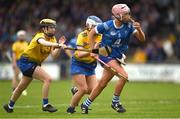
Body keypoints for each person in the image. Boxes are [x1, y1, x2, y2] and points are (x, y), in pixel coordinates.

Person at [81, 4, 145, 114]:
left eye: (129, 13)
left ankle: (85, 104)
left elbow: (142, 39)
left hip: (117, 57)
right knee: (124, 76)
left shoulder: (129, 26)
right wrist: (93, 50)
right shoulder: (107, 25)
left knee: (102, 84)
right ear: (118, 16)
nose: (129, 16)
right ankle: (115, 102)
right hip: (106, 56)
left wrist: (139, 30)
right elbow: (92, 33)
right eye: (126, 14)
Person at [3, 18, 66, 113]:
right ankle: (45, 104)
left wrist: (59, 47)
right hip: (27, 61)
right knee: (47, 79)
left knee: (21, 87)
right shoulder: (39, 36)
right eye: (51, 27)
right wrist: (57, 44)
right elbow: (43, 42)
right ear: (44, 29)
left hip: (34, 63)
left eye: (54, 28)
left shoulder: (53, 39)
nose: (53, 29)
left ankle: (9, 106)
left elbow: (54, 56)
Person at [66, 15, 102, 114]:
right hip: (78, 63)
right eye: (95, 26)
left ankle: (75, 90)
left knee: (93, 90)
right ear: (88, 25)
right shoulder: (82, 36)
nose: (97, 29)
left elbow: (103, 50)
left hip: (90, 65)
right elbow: (79, 54)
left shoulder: (100, 36)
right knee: (83, 89)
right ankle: (71, 108)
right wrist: (91, 51)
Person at [11, 30, 29, 96]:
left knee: (24, 76)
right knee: (15, 75)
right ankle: (14, 89)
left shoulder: (26, 44)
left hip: (25, 61)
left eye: (23, 35)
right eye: (21, 35)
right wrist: (14, 63)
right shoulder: (15, 44)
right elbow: (14, 54)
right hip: (18, 61)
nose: (22, 37)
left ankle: (22, 89)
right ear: (18, 36)